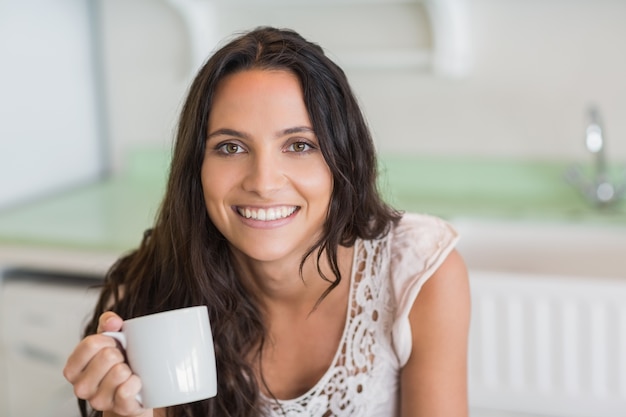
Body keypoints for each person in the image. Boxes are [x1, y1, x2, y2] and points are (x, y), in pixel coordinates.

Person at [63, 26, 471, 417]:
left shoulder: (417, 274)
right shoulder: (150, 293)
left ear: (342, 159)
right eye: (231, 147)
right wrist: (125, 413)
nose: (263, 182)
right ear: (195, 167)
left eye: (298, 145)